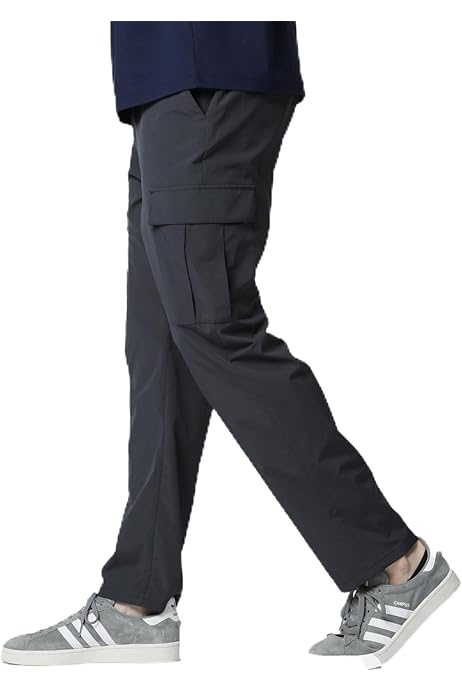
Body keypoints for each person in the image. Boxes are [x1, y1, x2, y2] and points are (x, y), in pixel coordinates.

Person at [2, 21, 458, 669]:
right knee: (162, 346)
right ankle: (135, 600)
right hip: (163, 88)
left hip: (206, 73)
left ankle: (394, 561)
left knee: (216, 328)